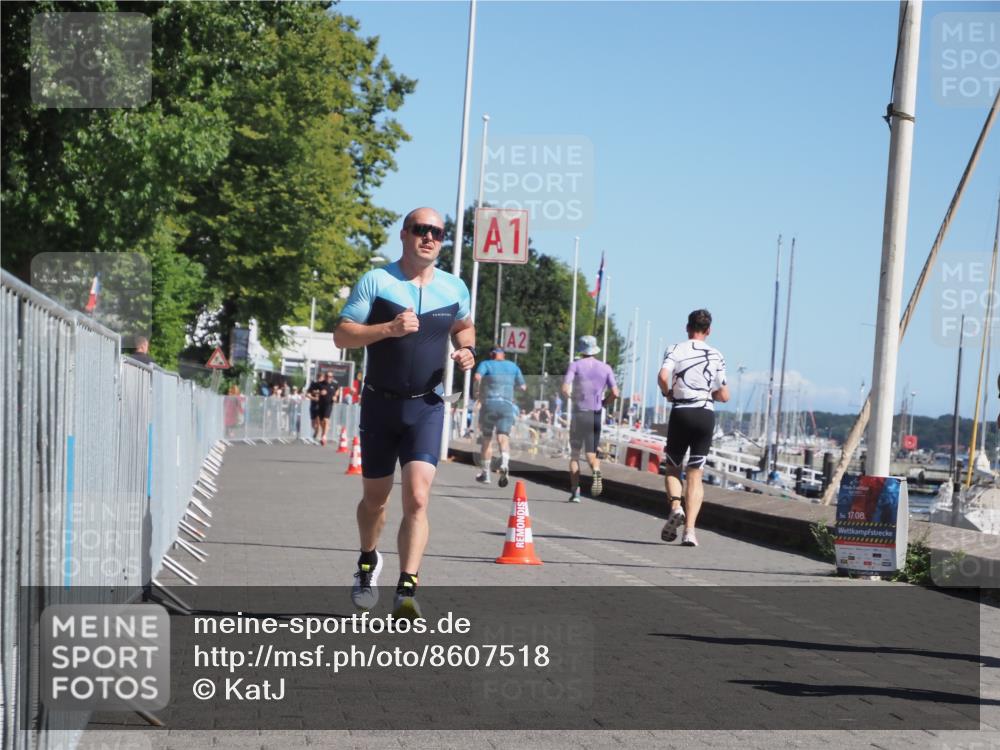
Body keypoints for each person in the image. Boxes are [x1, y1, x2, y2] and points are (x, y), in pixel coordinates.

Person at [334, 207, 475, 620]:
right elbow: (342, 335)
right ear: (404, 234)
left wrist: (467, 349)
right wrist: (388, 329)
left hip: (426, 406)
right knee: (374, 501)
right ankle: (367, 561)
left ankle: (407, 588)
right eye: (421, 230)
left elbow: (464, 326)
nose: (429, 237)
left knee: (417, 497)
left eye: (437, 232)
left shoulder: (454, 287)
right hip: (380, 405)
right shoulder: (377, 281)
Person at [657, 309, 729, 547]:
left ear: (687, 327)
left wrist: (668, 393)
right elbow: (724, 395)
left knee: (673, 468)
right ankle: (690, 532)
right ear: (709, 330)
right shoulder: (717, 354)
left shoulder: (675, 349)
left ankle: (676, 508)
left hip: (682, 413)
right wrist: (710, 393)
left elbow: (663, 376)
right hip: (705, 415)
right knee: (695, 474)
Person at [562, 335, 619, 503]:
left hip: (579, 413)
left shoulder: (575, 365)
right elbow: (615, 393)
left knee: (574, 455)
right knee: (591, 454)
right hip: (595, 414)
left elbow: (565, 388)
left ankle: (575, 492)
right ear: (595, 349)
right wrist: (604, 402)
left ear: (581, 350)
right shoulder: (606, 368)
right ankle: (595, 469)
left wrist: (572, 397)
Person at [473, 347, 527, 488]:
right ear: (503, 355)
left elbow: (477, 377)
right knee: (503, 437)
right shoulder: (513, 366)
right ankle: (504, 463)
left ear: (492, 354)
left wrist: (478, 392)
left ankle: (486, 473)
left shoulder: (486, 364)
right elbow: (523, 387)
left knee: (487, 439)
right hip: (507, 405)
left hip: (489, 404)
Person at [307, 371, 336, 445]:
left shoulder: (334, 384)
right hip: (317, 405)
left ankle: (323, 436)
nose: (328, 378)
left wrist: (335, 397)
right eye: (319, 377)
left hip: (328, 405)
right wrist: (317, 394)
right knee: (317, 423)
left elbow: (337, 391)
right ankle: (318, 431)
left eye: (330, 377)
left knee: (325, 420)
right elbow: (309, 393)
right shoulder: (317, 384)